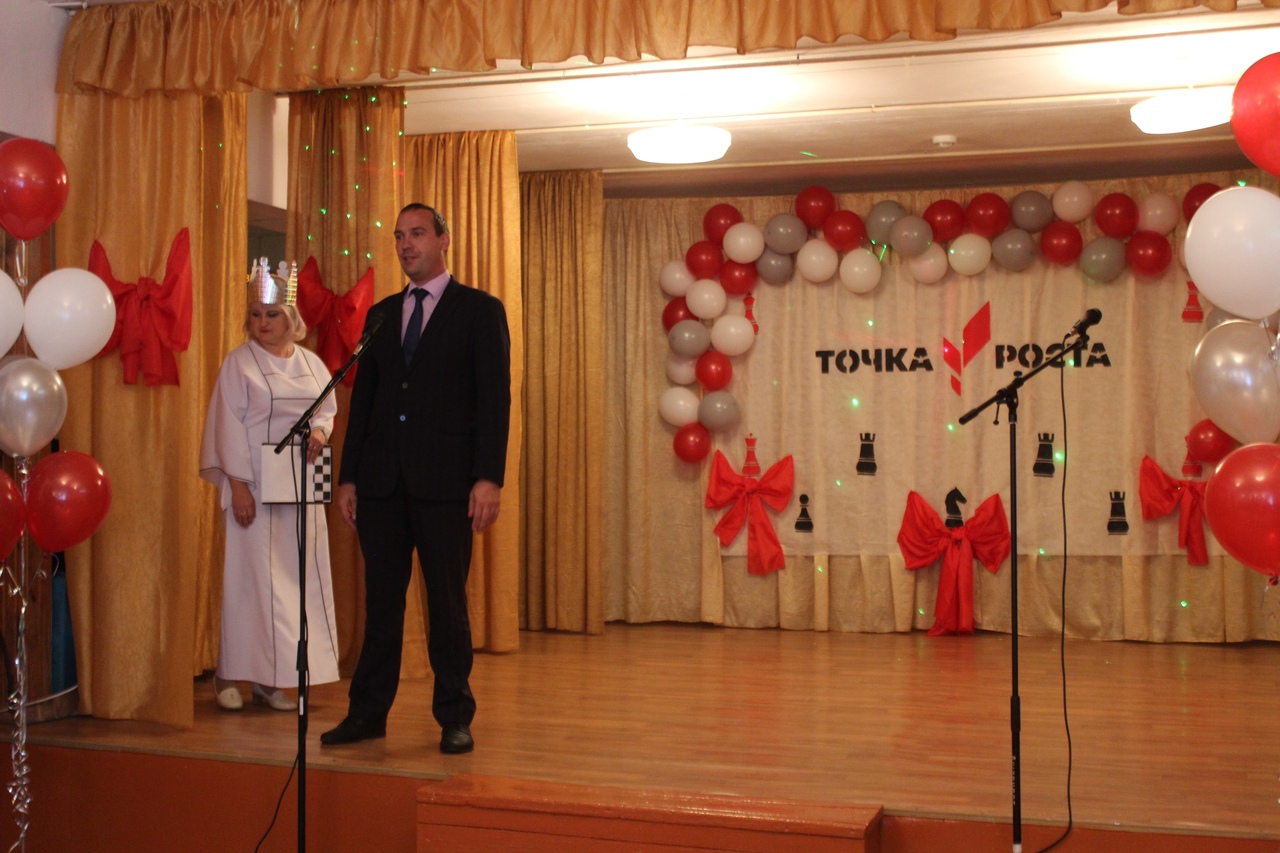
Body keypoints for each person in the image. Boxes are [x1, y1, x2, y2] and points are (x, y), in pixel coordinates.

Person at [320, 203, 511, 755]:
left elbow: (493, 400)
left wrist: (488, 478)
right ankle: (367, 714)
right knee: (382, 605)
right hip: (382, 486)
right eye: (400, 236)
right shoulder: (381, 314)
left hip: (447, 486)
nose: (407, 244)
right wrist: (349, 478)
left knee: (447, 605)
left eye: (418, 234)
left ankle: (454, 716)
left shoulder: (479, 310)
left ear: (444, 240)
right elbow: (365, 402)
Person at [199, 260, 341, 712]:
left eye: (272, 314)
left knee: (298, 582)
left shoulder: (312, 363)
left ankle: (273, 678)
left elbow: (326, 409)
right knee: (252, 584)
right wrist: (238, 486)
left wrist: (320, 431)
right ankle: (228, 673)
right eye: (256, 314)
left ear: (290, 317)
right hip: (256, 489)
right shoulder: (238, 364)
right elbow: (226, 426)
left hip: (302, 487)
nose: (262, 323)